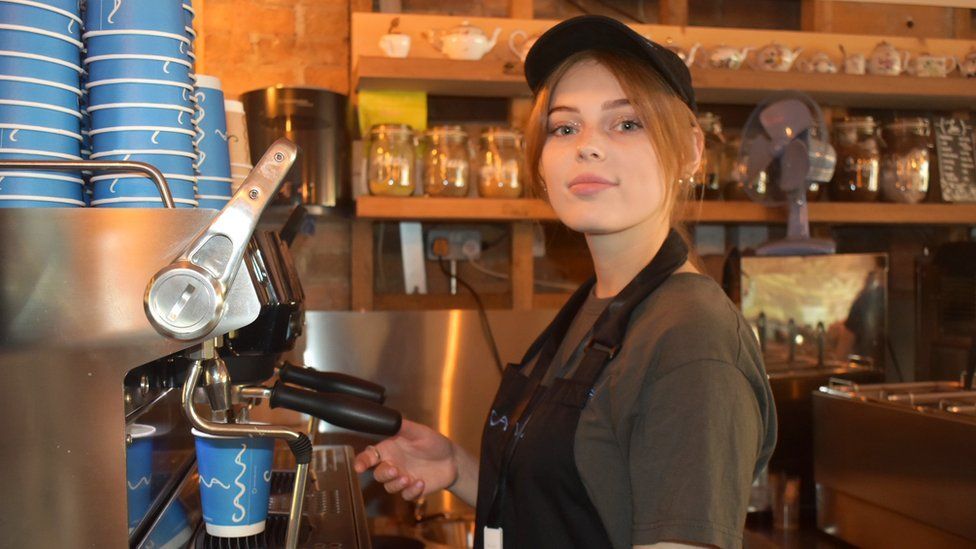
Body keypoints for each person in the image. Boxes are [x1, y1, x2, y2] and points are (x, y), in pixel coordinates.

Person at [354, 15, 777, 549]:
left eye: (627, 123)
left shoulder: (693, 339)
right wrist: (457, 469)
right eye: (565, 127)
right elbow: (581, 510)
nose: (588, 146)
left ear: (690, 149)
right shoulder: (596, 306)